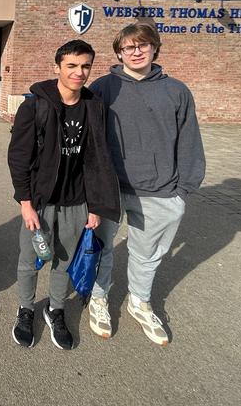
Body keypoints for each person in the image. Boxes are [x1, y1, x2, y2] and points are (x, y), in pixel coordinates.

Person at [88, 23, 205, 346]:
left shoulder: (176, 91)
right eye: (128, 47)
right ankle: (99, 298)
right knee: (101, 249)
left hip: (160, 189)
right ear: (119, 52)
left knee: (147, 254)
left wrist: (183, 191)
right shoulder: (103, 88)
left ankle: (139, 301)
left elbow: (189, 140)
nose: (136, 52)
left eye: (143, 45)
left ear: (155, 48)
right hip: (111, 188)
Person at [7, 39, 119, 350]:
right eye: (71, 65)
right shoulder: (35, 106)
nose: (79, 72)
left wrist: (95, 206)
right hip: (40, 203)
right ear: (57, 67)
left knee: (63, 261)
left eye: (85, 66)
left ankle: (55, 309)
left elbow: (97, 159)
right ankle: (26, 309)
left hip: (76, 201)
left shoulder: (94, 106)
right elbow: (18, 157)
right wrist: (26, 204)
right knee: (30, 259)